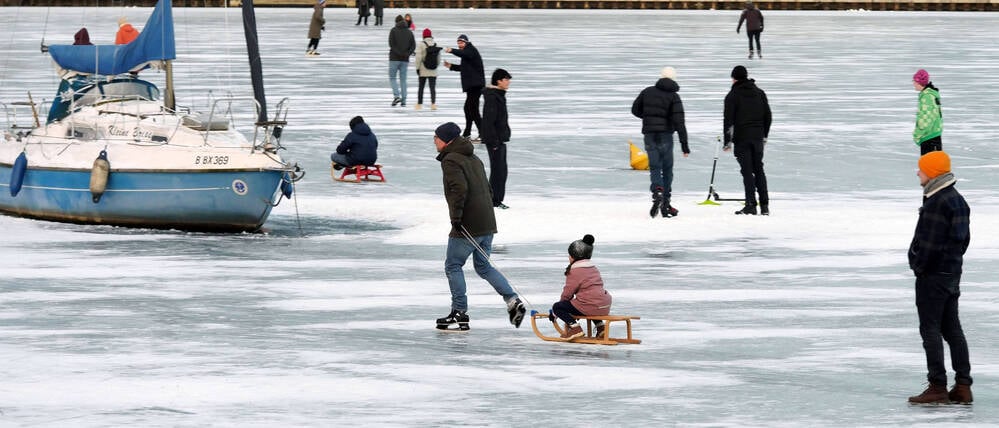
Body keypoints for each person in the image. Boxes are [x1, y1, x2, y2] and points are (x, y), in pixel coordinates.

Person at [432, 122, 526, 332]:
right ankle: (512, 300)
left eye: (436, 137)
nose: (434, 141)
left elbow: (459, 190)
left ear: (447, 140)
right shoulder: (473, 158)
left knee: (453, 265)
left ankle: (459, 312)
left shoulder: (451, 160)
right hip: (487, 223)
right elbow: (488, 189)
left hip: (468, 224)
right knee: (483, 266)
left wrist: (456, 219)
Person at [906, 151, 973, 405]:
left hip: (933, 277)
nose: (917, 172)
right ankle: (963, 386)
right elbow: (963, 241)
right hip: (951, 275)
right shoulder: (957, 200)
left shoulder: (937, 202)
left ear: (932, 173)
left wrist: (919, 266)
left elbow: (930, 246)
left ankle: (937, 386)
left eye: (921, 169)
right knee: (952, 329)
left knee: (931, 329)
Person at [631, 66, 690, 218]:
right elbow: (679, 121)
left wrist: (649, 118)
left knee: (655, 166)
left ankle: (657, 190)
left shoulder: (647, 91)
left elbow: (635, 110)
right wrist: (684, 145)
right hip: (666, 136)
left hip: (650, 135)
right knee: (667, 168)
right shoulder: (673, 96)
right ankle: (665, 202)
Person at [723, 65, 772, 216]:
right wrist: (764, 136)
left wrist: (727, 142)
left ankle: (751, 204)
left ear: (734, 78)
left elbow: (728, 120)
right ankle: (764, 205)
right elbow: (768, 116)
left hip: (742, 138)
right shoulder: (759, 93)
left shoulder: (732, 95)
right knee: (759, 169)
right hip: (757, 137)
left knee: (747, 172)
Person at [548, 234, 612, 340]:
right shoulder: (593, 268)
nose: (569, 257)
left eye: (570, 255)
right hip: (604, 305)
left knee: (558, 306)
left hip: (590, 305)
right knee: (591, 302)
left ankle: (575, 328)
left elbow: (568, 293)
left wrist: (557, 310)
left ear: (575, 256)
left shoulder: (575, 270)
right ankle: (601, 328)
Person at [482, 68, 513, 209]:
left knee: (502, 170)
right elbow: (488, 121)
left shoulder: (499, 95)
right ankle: (493, 201)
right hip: (495, 140)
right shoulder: (493, 97)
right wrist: (493, 141)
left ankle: (497, 200)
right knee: (497, 171)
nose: (508, 82)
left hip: (500, 139)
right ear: (498, 81)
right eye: (506, 79)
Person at [444, 34, 485, 138]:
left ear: (466, 42)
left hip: (476, 86)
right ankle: (467, 133)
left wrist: (452, 50)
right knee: (468, 109)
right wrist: (451, 66)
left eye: (461, 42)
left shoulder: (471, 50)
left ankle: (483, 133)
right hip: (472, 86)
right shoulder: (466, 53)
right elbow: (464, 68)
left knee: (473, 110)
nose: (460, 45)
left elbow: (465, 54)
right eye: (458, 43)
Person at [912, 69, 943, 155]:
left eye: (914, 81)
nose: (913, 83)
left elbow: (926, 119)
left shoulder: (927, 97)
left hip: (929, 137)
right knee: (931, 166)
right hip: (932, 135)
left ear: (919, 82)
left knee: (931, 166)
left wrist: (917, 135)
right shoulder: (929, 94)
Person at [388, 15, 416, 107]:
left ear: (396, 22)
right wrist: (407, 53)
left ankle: (397, 96)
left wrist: (398, 53)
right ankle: (404, 100)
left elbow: (391, 44)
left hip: (394, 59)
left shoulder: (393, 30)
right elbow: (413, 46)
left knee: (392, 78)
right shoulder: (409, 32)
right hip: (405, 60)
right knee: (403, 80)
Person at [415, 28, 440, 111]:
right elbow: (439, 58)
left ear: (423, 35)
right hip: (433, 70)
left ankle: (419, 104)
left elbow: (418, 57)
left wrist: (417, 68)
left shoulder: (421, 44)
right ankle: (433, 104)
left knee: (421, 87)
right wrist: (435, 65)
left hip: (423, 69)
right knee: (432, 88)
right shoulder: (435, 44)